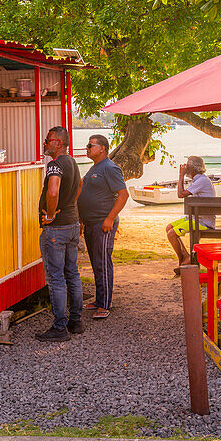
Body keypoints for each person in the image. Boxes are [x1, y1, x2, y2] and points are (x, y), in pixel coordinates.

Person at [36, 126, 83, 342]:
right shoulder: (72, 162)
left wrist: (51, 214)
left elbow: (53, 191)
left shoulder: (55, 165)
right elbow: (80, 185)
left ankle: (59, 327)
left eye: (48, 140)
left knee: (56, 278)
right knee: (72, 273)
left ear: (59, 143)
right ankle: (76, 321)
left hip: (56, 229)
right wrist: (70, 202)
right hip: (72, 224)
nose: (45, 143)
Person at [77, 134, 127, 319]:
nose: (87, 148)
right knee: (96, 263)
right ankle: (100, 300)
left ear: (103, 148)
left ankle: (105, 305)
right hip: (91, 223)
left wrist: (110, 218)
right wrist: (82, 219)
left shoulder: (110, 168)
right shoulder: (95, 168)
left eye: (90, 145)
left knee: (103, 263)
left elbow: (123, 195)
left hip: (103, 222)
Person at [165, 156, 216, 270]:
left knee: (171, 234)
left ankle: (182, 260)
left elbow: (180, 194)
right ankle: (185, 257)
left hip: (203, 222)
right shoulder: (199, 180)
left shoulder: (202, 180)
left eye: (187, 166)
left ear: (192, 169)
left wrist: (181, 175)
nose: (185, 167)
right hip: (196, 218)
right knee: (169, 228)